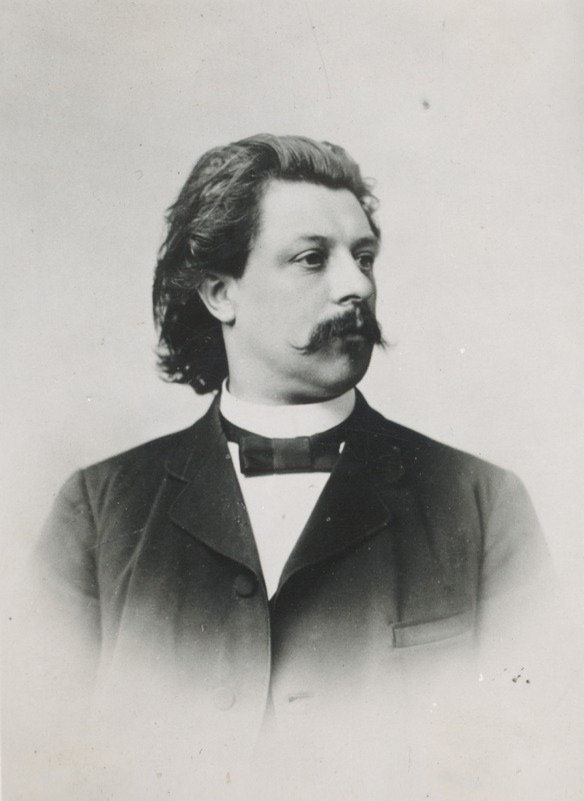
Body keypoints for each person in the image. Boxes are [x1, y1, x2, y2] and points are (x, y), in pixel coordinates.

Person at [10, 134, 553, 800]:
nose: (357, 285)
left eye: (364, 258)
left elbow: (537, 758)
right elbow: (36, 757)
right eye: (311, 259)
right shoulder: (98, 509)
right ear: (220, 293)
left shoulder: (482, 502)